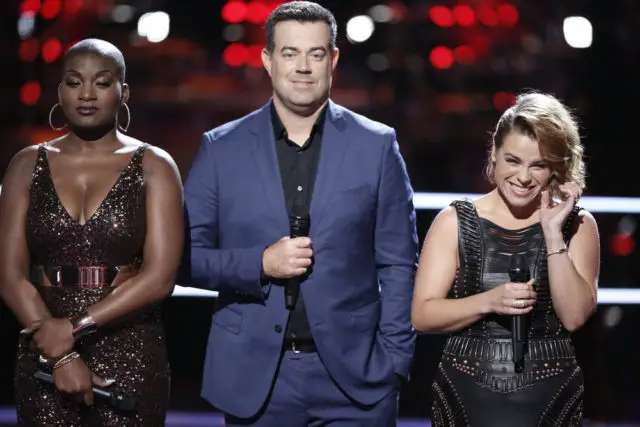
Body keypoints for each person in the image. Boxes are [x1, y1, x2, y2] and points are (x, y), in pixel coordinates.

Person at [183, 1, 418, 425]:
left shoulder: (377, 145)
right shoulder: (221, 149)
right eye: (290, 53)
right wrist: (260, 263)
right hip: (257, 380)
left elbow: (399, 263)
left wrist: (395, 362)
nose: (303, 67)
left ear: (333, 60)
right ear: (267, 60)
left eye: (316, 53)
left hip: (356, 381)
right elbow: (185, 258)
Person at [0, 38, 184, 426]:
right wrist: (61, 353)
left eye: (101, 82)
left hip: (129, 347)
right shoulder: (25, 165)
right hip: (44, 345)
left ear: (123, 91)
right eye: (73, 81)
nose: (86, 94)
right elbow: (11, 277)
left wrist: (74, 328)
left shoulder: (155, 165)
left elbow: (160, 278)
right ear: (59, 91)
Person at [412, 92, 600, 426]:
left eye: (538, 165)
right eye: (513, 160)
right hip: (467, 390)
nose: (524, 177)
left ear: (556, 167)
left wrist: (553, 232)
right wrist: (490, 301)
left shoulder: (578, 225)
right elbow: (423, 315)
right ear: (494, 156)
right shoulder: (454, 221)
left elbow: (573, 317)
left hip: (549, 395)